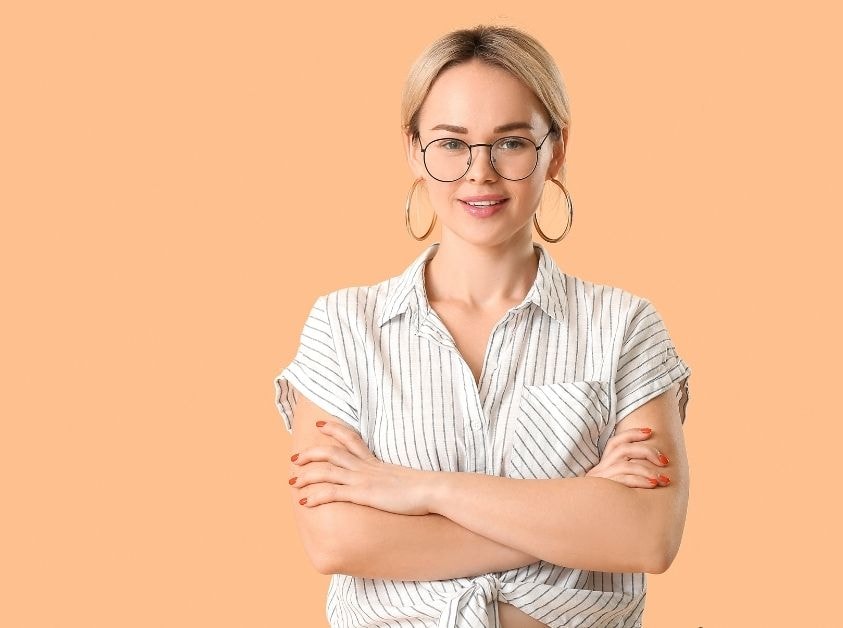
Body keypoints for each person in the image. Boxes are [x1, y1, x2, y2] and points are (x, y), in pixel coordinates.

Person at [274, 24, 692, 628]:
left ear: (557, 150)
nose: (480, 174)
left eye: (512, 142)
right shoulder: (342, 328)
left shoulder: (624, 326)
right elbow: (338, 542)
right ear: (414, 151)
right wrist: (578, 517)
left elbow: (647, 537)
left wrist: (421, 491)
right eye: (450, 143)